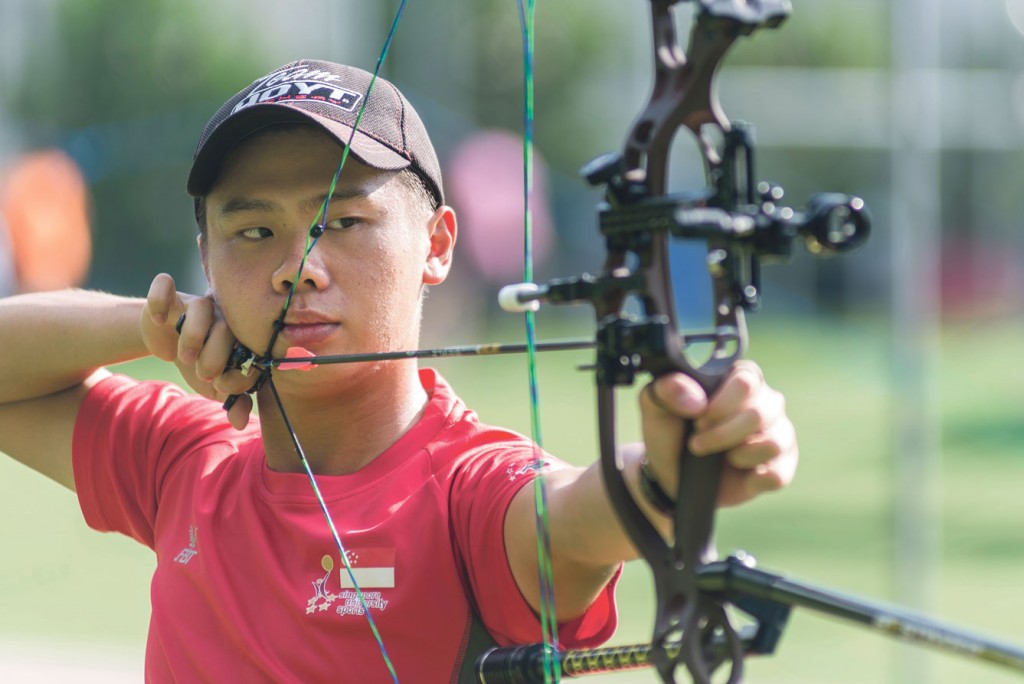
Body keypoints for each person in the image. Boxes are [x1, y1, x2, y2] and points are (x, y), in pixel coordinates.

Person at [0, 60, 797, 682]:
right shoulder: (185, 459)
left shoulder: (471, 494)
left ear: (438, 245)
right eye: (252, 231)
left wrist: (669, 471)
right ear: (205, 256)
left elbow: (580, 514)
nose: (296, 268)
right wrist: (151, 323)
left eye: (342, 220)